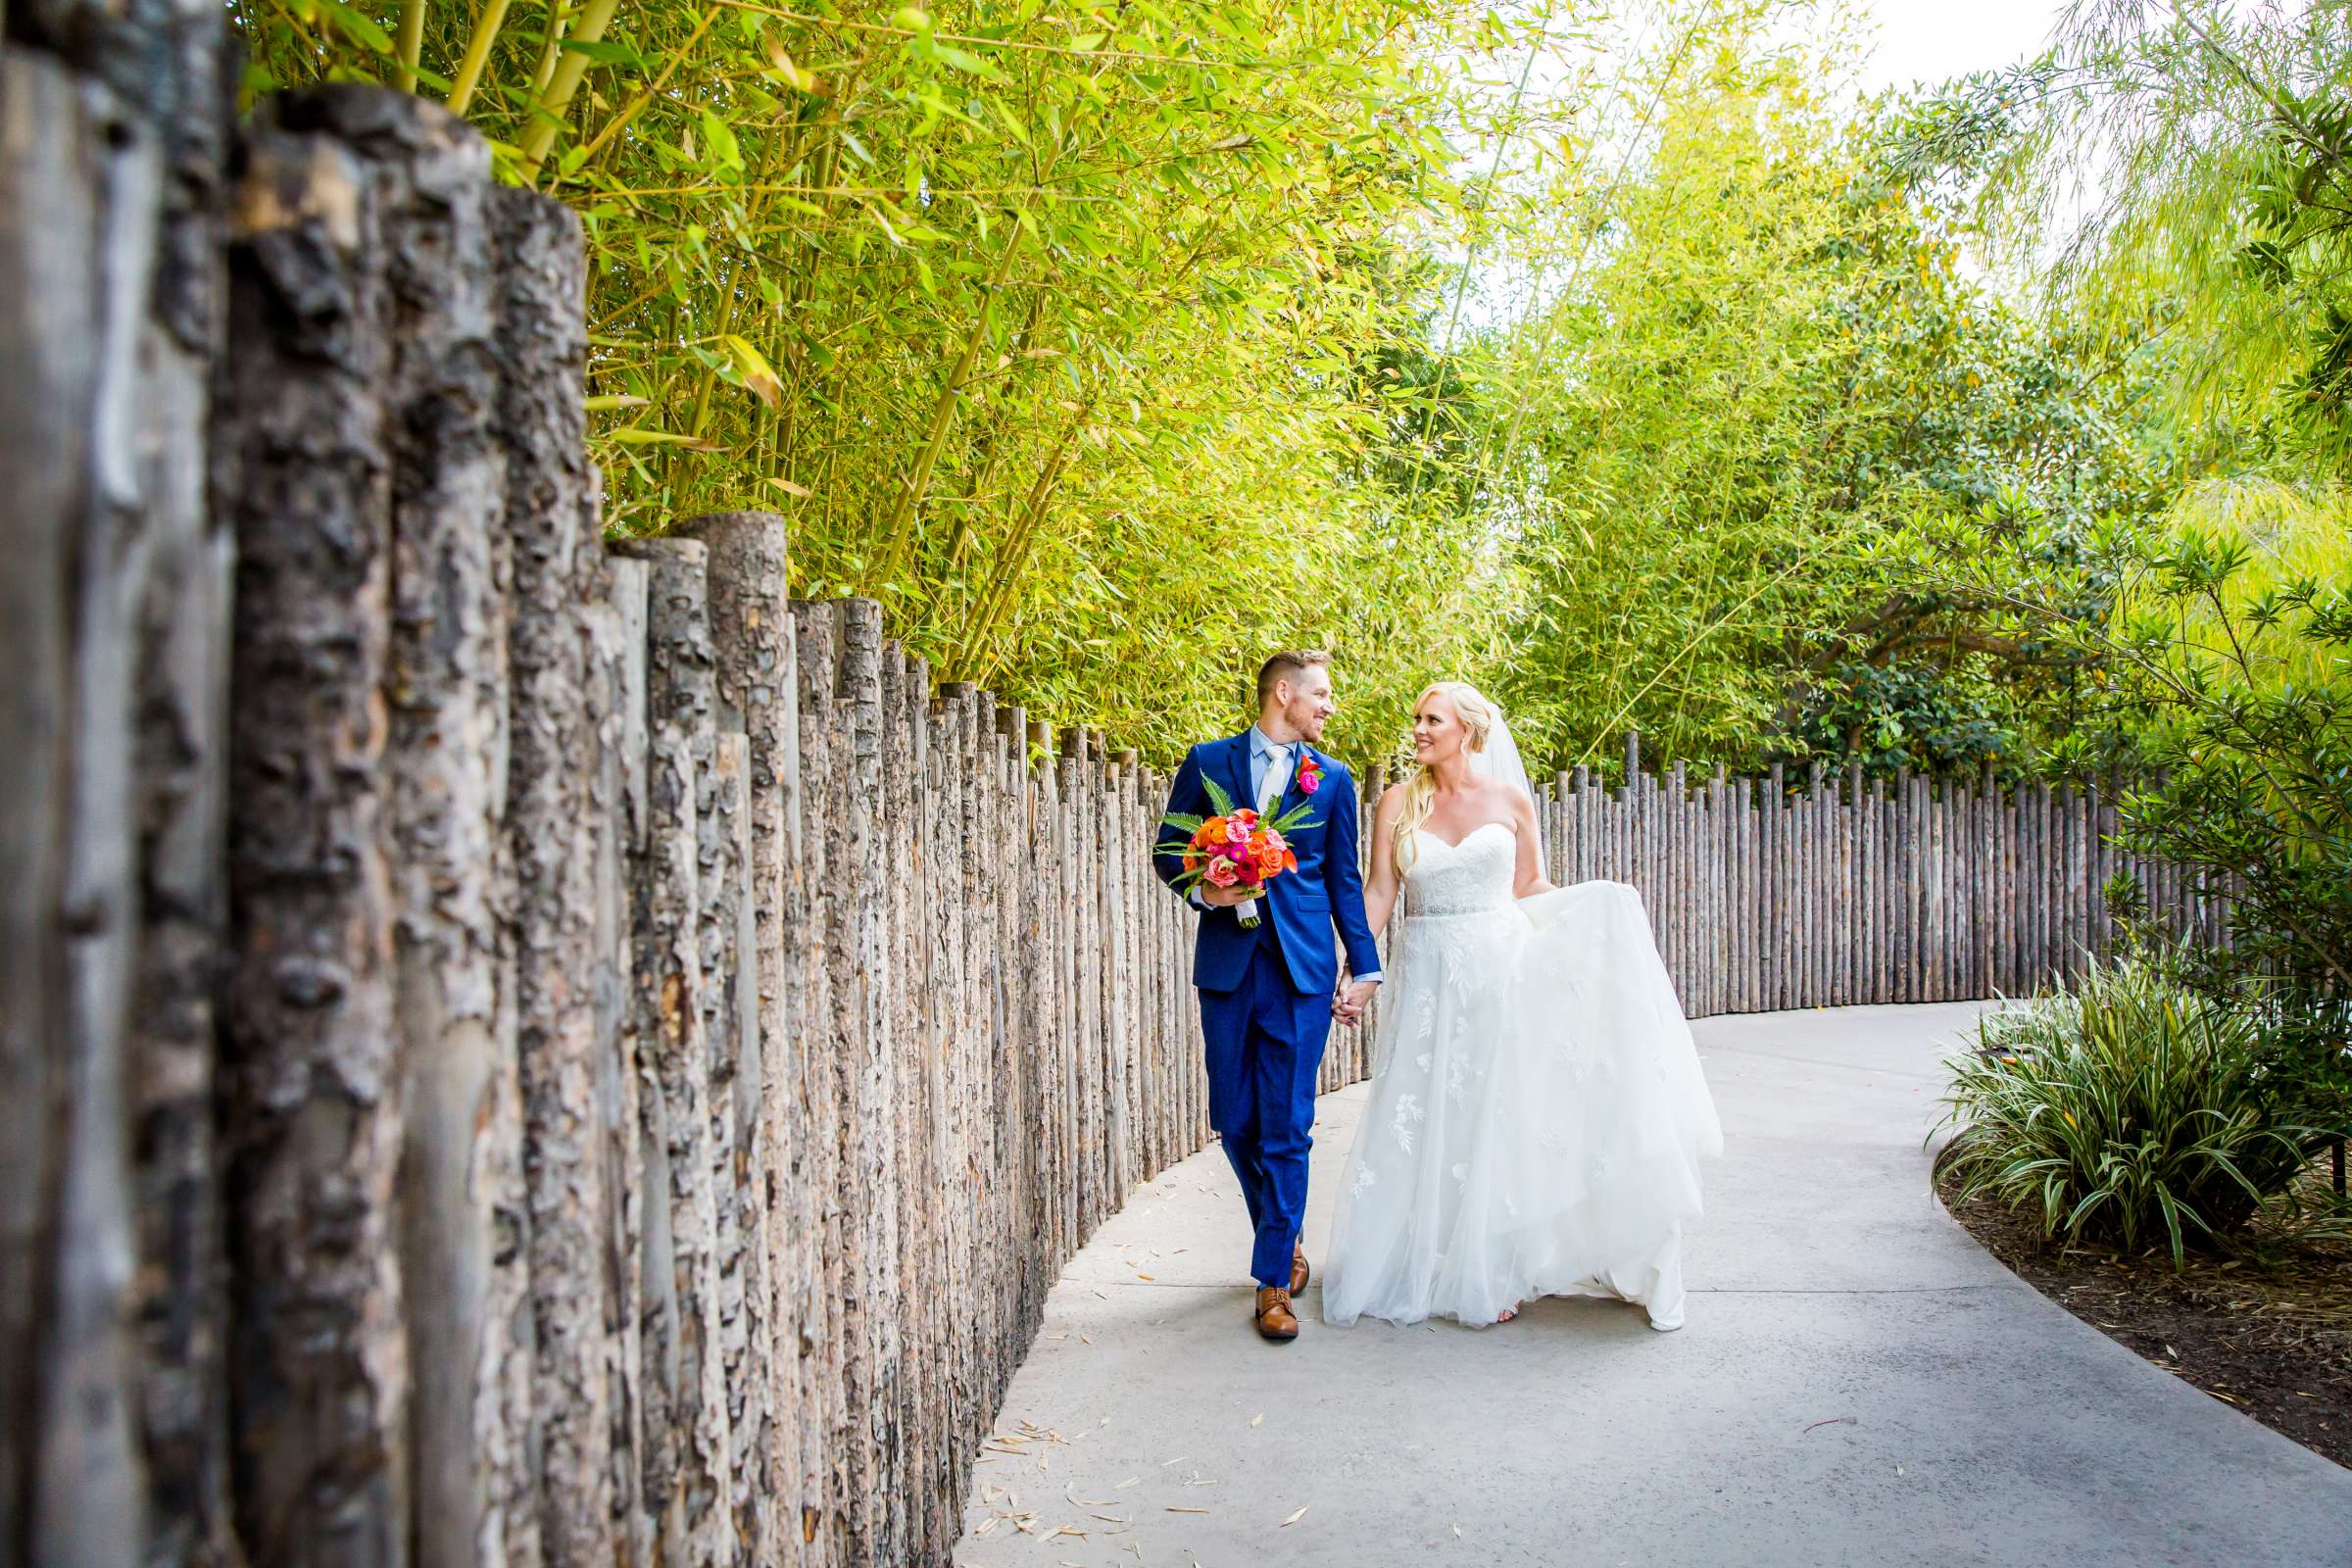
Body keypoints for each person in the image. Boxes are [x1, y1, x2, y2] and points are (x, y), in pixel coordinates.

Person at [1321, 682, 1723, 1331]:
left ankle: (1495, 1263)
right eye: (1417, 718)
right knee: (1425, 1113)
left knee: (1495, 1116)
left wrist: (1594, 907)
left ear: (1469, 732)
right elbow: (1379, 893)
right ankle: (1432, 1254)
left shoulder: (1509, 799)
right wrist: (1360, 971)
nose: (1418, 729)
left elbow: (1530, 886)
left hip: (1501, 969)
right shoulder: (1397, 802)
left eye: (1433, 719)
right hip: (1428, 978)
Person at [1152, 650, 1383, 1342]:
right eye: (1321, 695)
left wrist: (1363, 967)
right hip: (1229, 965)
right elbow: (1169, 851)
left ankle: (1273, 1283)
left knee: (1288, 1122)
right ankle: (1284, 1238)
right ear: (1282, 694)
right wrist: (1207, 889)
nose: (1329, 707)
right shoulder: (1208, 761)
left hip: (1302, 971)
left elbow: (1343, 881)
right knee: (1235, 1117)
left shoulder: (1334, 780)